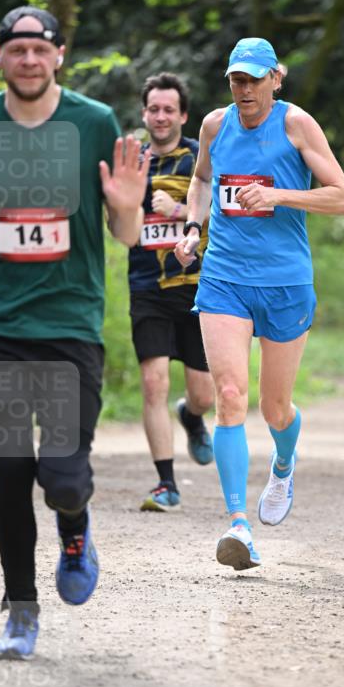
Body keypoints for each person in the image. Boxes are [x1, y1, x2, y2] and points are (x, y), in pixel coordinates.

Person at [0, 6, 148, 659]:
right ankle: (20, 611)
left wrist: (130, 210)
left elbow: (124, 235)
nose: (28, 59)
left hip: (69, 324)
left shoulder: (93, 124)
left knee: (62, 477)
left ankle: (74, 529)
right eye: (16, 48)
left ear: (58, 57)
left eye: (39, 48)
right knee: (9, 472)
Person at [174, 37, 344, 571]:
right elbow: (202, 180)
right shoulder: (214, 126)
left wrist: (279, 195)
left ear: (277, 78)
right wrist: (190, 226)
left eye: (254, 79)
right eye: (236, 79)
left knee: (275, 409)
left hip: (285, 282)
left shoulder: (297, 125)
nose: (244, 89)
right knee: (230, 396)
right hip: (225, 278)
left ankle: (283, 460)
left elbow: (341, 198)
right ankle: (237, 526)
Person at [129, 72, 214, 512]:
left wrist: (179, 209)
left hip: (196, 288)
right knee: (152, 383)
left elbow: (222, 216)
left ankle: (193, 416)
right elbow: (120, 223)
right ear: (144, 114)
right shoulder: (133, 162)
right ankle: (166, 484)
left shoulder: (200, 159)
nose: (160, 116)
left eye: (169, 109)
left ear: (183, 115)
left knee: (204, 394)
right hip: (146, 286)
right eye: (153, 109)